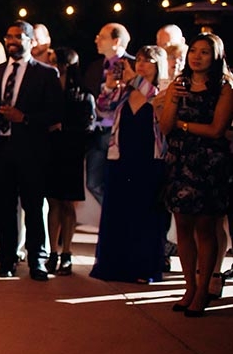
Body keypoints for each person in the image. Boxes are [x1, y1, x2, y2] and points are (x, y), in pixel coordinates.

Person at [159, 33, 233, 317]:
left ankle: (203, 290)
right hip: (179, 160)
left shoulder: (225, 88)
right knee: (183, 228)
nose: (196, 56)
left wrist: (184, 125)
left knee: (205, 228)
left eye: (204, 52)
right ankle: (189, 287)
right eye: (193, 51)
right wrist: (173, 102)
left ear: (215, 56)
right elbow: (166, 128)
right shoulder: (180, 85)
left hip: (208, 164)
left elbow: (216, 130)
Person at [0, 21, 63, 280]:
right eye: (9, 36)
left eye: (19, 36)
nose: (13, 40)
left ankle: (37, 260)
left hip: (31, 150)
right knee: (5, 208)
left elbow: (55, 113)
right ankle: (7, 259)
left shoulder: (46, 73)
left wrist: (24, 118)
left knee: (33, 207)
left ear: (31, 41)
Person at [92, 45, 168, 283]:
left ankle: (145, 269)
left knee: (145, 216)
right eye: (140, 60)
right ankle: (114, 267)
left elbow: (157, 101)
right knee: (118, 214)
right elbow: (103, 109)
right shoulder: (125, 91)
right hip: (121, 160)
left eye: (148, 61)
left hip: (149, 162)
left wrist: (135, 80)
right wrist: (109, 84)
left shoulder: (164, 89)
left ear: (158, 65)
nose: (142, 65)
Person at [44, 48, 96, 276]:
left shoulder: (83, 93)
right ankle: (53, 252)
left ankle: (66, 252)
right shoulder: (48, 89)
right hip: (51, 151)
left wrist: (62, 128)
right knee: (53, 202)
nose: (54, 66)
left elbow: (89, 127)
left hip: (71, 152)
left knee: (67, 203)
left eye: (57, 62)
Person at [83, 23, 134, 205]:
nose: (97, 40)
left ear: (116, 41)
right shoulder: (95, 67)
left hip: (122, 133)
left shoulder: (133, 65)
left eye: (102, 37)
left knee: (120, 181)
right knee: (93, 182)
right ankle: (114, 215)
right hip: (98, 132)